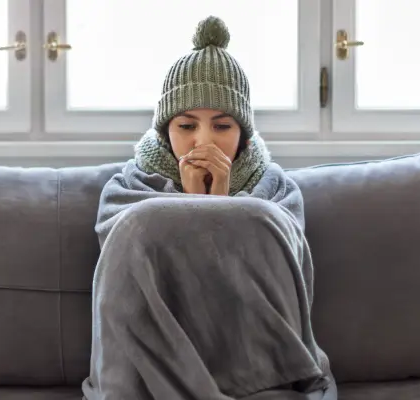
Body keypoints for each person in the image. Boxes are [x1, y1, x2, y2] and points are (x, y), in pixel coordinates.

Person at [83, 16, 335, 400]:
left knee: (261, 220)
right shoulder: (127, 190)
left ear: (243, 133)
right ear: (166, 131)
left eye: (222, 126)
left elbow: (285, 277)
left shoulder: (278, 191)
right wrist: (189, 204)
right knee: (139, 224)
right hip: (149, 375)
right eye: (186, 126)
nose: (204, 140)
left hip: (252, 367)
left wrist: (219, 205)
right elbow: (125, 274)